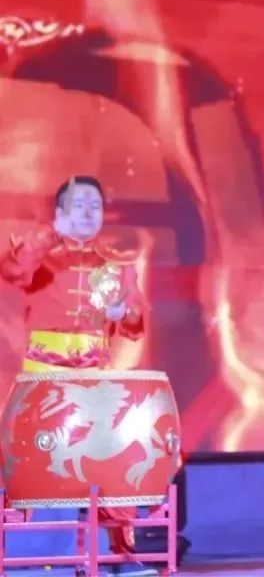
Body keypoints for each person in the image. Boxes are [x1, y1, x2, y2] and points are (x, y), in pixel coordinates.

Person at [1, 176, 154, 576]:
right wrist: (50, 234)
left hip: (94, 385)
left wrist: (125, 313)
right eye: (79, 205)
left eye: (95, 206)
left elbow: (136, 324)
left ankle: (117, 558)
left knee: (116, 463)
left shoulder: (116, 268)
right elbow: (11, 269)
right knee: (38, 468)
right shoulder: (41, 257)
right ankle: (35, 562)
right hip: (43, 386)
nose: (88, 213)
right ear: (60, 212)